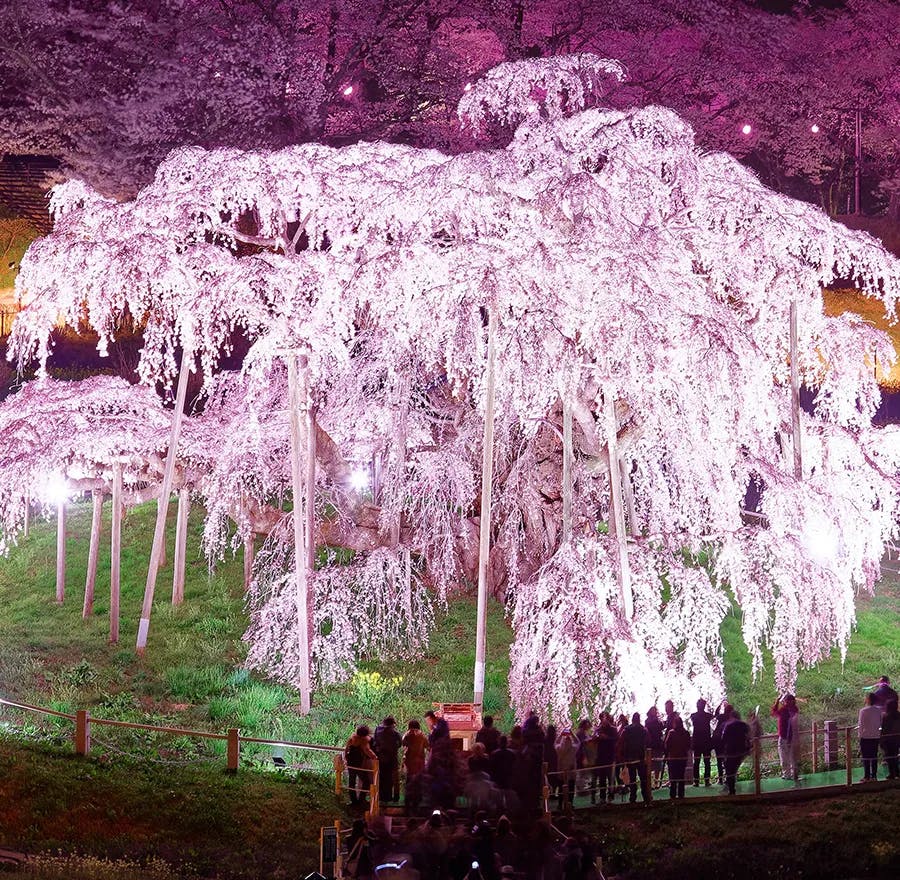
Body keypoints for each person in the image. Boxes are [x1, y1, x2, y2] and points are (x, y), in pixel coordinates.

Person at [620, 712, 650, 803]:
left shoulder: (626, 730)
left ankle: (632, 798)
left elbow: (621, 742)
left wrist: (623, 756)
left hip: (630, 757)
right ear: (639, 719)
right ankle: (646, 798)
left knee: (632, 779)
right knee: (643, 779)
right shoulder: (644, 730)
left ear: (632, 719)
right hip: (641, 757)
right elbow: (648, 741)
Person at [720, 710, 751, 795]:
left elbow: (723, 739)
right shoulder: (744, 725)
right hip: (741, 750)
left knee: (729, 770)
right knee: (734, 768)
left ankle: (731, 790)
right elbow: (748, 737)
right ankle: (732, 786)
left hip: (731, 751)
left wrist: (723, 750)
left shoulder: (728, 725)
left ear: (731, 716)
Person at [345, 724, 377, 806]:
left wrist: (346, 759)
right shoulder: (363, 741)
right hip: (359, 765)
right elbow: (368, 751)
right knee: (366, 781)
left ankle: (354, 801)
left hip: (350, 764)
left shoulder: (352, 738)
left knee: (351, 782)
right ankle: (361, 800)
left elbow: (346, 749)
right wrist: (375, 757)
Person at [374, 716, 404, 802]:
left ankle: (382, 796)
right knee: (394, 777)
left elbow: (375, 742)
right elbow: (400, 743)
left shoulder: (377, 730)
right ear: (392, 724)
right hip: (392, 758)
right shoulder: (395, 733)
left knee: (382, 777)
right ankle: (395, 797)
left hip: (380, 757)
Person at [771, 694, 800, 781]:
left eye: (786, 701)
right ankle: (793, 773)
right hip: (792, 736)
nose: (785, 702)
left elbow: (774, 712)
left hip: (786, 736)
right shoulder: (794, 709)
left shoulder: (784, 710)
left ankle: (787, 774)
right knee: (792, 756)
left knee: (785, 756)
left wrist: (777, 701)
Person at [402, 719, 428, 813]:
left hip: (410, 762)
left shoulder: (407, 734)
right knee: (419, 783)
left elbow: (403, 744)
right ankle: (417, 804)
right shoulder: (422, 735)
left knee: (409, 782)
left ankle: (408, 805)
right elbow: (427, 745)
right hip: (420, 762)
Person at [664, 713, 691, 799]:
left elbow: (667, 745)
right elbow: (688, 745)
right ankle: (681, 795)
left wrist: (667, 753)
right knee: (681, 777)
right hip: (682, 757)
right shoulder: (686, 733)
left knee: (673, 777)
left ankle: (672, 795)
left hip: (673, 758)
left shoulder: (671, 733)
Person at [858, 692, 883, 781]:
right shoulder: (879, 710)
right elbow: (881, 722)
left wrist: (859, 736)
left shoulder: (863, 711)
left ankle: (867, 776)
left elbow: (860, 725)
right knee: (874, 756)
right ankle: (874, 776)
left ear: (867, 700)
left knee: (866, 757)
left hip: (865, 736)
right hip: (875, 736)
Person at [690, 699, 714, 787]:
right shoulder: (708, 716)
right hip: (705, 742)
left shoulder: (693, 716)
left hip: (698, 742)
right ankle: (706, 781)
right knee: (706, 762)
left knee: (697, 762)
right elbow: (713, 715)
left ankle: (697, 781)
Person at [555, 728, 578, 809]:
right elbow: (578, 742)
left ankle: (560, 804)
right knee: (571, 788)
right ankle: (570, 804)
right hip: (571, 771)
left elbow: (556, 742)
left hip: (561, 770)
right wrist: (572, 734)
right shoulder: (573, 749)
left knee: (561, 788)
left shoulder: (559, 749)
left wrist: (561, 735)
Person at [644, 706, 665, 789]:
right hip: (653, 745)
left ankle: (655, 783)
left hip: (655, 745)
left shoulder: (653, 721)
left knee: (656, 765)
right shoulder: (652, 721)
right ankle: (653, 783)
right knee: (653, 765)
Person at [880, 698, 900, 780]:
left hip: (888, 739)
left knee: (889, 757)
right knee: (895, 756)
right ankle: (897, 773)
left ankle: (892, 773)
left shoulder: (886, 716)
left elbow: (884, 729)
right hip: (897, 738)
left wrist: (881, 739)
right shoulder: (899, 715)